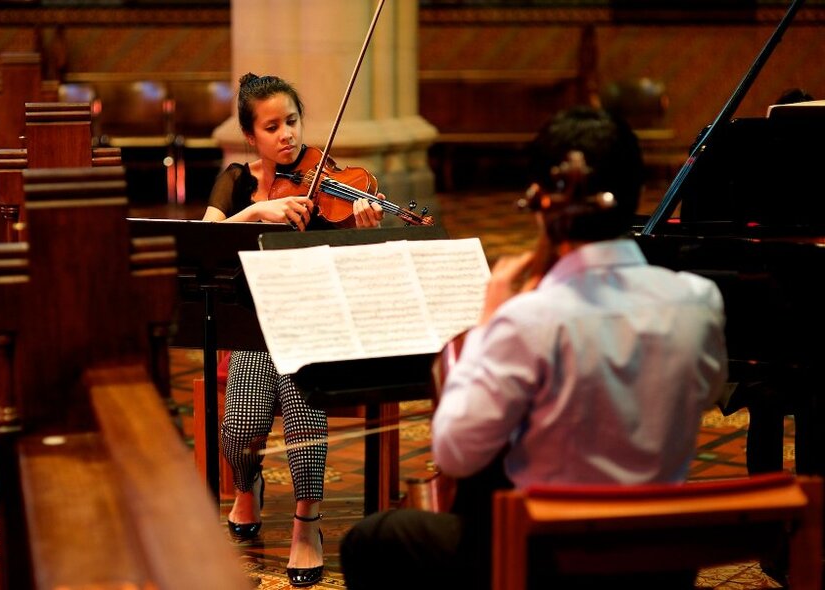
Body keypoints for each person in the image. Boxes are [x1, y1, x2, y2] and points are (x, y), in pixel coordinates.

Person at [339, 106, 729, 590]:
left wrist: (485, 327)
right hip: (659, 566)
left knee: (374, 540)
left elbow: (456, 453)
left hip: (549, 565)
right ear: (637, 191)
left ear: (542, 201)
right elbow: (707, 393)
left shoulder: (526, 320)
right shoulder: (698, 303)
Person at [203, 72, 384, 588]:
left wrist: (362, 228)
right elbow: (206, 237)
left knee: (302, 407)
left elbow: (357, 265)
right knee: (239, 429)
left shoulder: (330, 185)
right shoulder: (235, 181)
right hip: (253, 325)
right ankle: (247, 482)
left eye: (293, 121)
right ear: (251, 137)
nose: (287, 135)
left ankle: (307, 523)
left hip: (313, 320)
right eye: (272, 126)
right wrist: (260, 209)